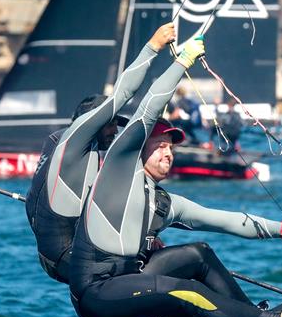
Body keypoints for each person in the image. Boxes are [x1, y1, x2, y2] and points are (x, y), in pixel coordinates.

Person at [69, 36, 282, 317]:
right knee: (189, 292)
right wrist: (183, 61)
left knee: (198, 253)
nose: (168, 153)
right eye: (160, 146)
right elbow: (150, 107)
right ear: (139, 151)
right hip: (97, 294)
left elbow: (224, 220)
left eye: (171, 148)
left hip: (129, 280)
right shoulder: (118, 172)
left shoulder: (164, 202)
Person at [25, 23, 176, 283]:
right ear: (90, 122)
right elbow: (124, 92)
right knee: (160, 265)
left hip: (50, 256)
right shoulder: (75, 148)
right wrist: (154, 46)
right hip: (69, 259)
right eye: (109, 124)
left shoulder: (58, 144)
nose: (114, 130)